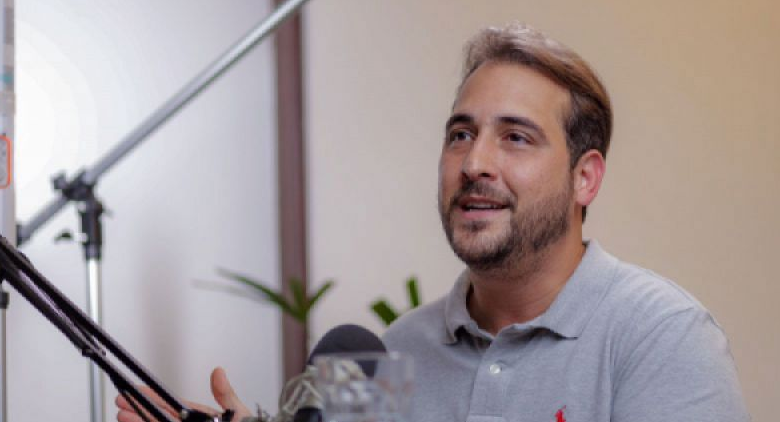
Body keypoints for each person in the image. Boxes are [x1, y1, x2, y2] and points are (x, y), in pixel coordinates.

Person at [117, 23, 749, 422]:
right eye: (460, 134)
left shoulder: (665, 339)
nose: (474, 163)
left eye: (516, 137)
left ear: (585, 178)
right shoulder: (389, 353)